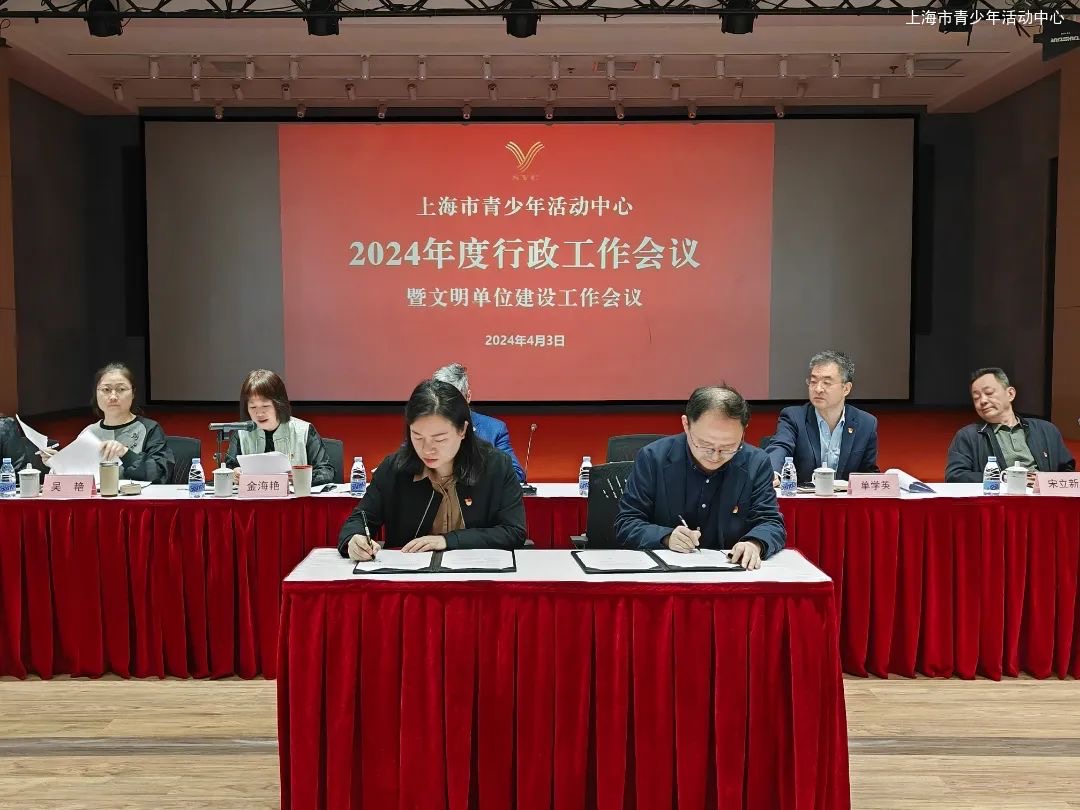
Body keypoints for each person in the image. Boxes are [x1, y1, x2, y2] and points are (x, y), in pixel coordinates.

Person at [338, 379, 526, 559]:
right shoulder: (395, 469)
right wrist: (354, 540)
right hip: (408, 575)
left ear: (462, 430)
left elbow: (513, 531)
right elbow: (360, 519)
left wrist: (447, 540)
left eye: (439, 439)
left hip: (477, 574)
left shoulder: (496, 466)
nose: (427, 449)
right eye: (418, 437)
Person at [614, 384, 785, 570]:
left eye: (728, 447)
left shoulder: (756, 462)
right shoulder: (653, 458)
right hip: (666, 573)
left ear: (744, 431)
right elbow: (627, 523)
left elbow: (770, 522)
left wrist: (754, 543)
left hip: (731, 572)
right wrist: (666, 537)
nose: (715, 456)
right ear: (686, 424)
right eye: (705, 445)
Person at [40, 363, 174, 484]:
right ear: (96, 394)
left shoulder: (149, 429)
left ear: (133, 393)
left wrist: (125, 453)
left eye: (121, 389)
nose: (113, 396)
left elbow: (162, 475)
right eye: (106, 390)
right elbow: (76, 479)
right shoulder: (89, 432)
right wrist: (58, 463)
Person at [767, 350, 879, 484]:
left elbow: (868, 474)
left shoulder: (866, 424)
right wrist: (772, 472)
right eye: (813, 381)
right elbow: (780, 446)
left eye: (826, 383)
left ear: (846, 388)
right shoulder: (794, 417)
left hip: (844, 497)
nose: (818, 389)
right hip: (804, 496)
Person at [945, 367, 1075, 483]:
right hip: (999, 499)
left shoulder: (1046, 430)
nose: (982, 401)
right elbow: (955, 476)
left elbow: (1067, 471)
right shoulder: (968, 436)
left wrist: (1044, 482)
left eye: (989, 393)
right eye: (976, 398)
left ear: (1010, 394)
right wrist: (1004, 478)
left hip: (1044, 498)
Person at [225, 369, 334, 486]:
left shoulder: (304, 431)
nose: (259, 413)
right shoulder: (241, 433)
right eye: (253, 407)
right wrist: (233, 473)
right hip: (254, 496)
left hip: (294, 496)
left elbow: (326, 471)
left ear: (279, 405)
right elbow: (228, 468)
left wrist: (300, 476)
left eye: (265, 406)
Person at [432, 363, 525, 482]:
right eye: (442, 400)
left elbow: (516, 475)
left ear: (468, 396)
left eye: (454, 400)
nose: (447, 407)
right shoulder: (423, 428)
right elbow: (410, 469)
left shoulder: (494, 430)